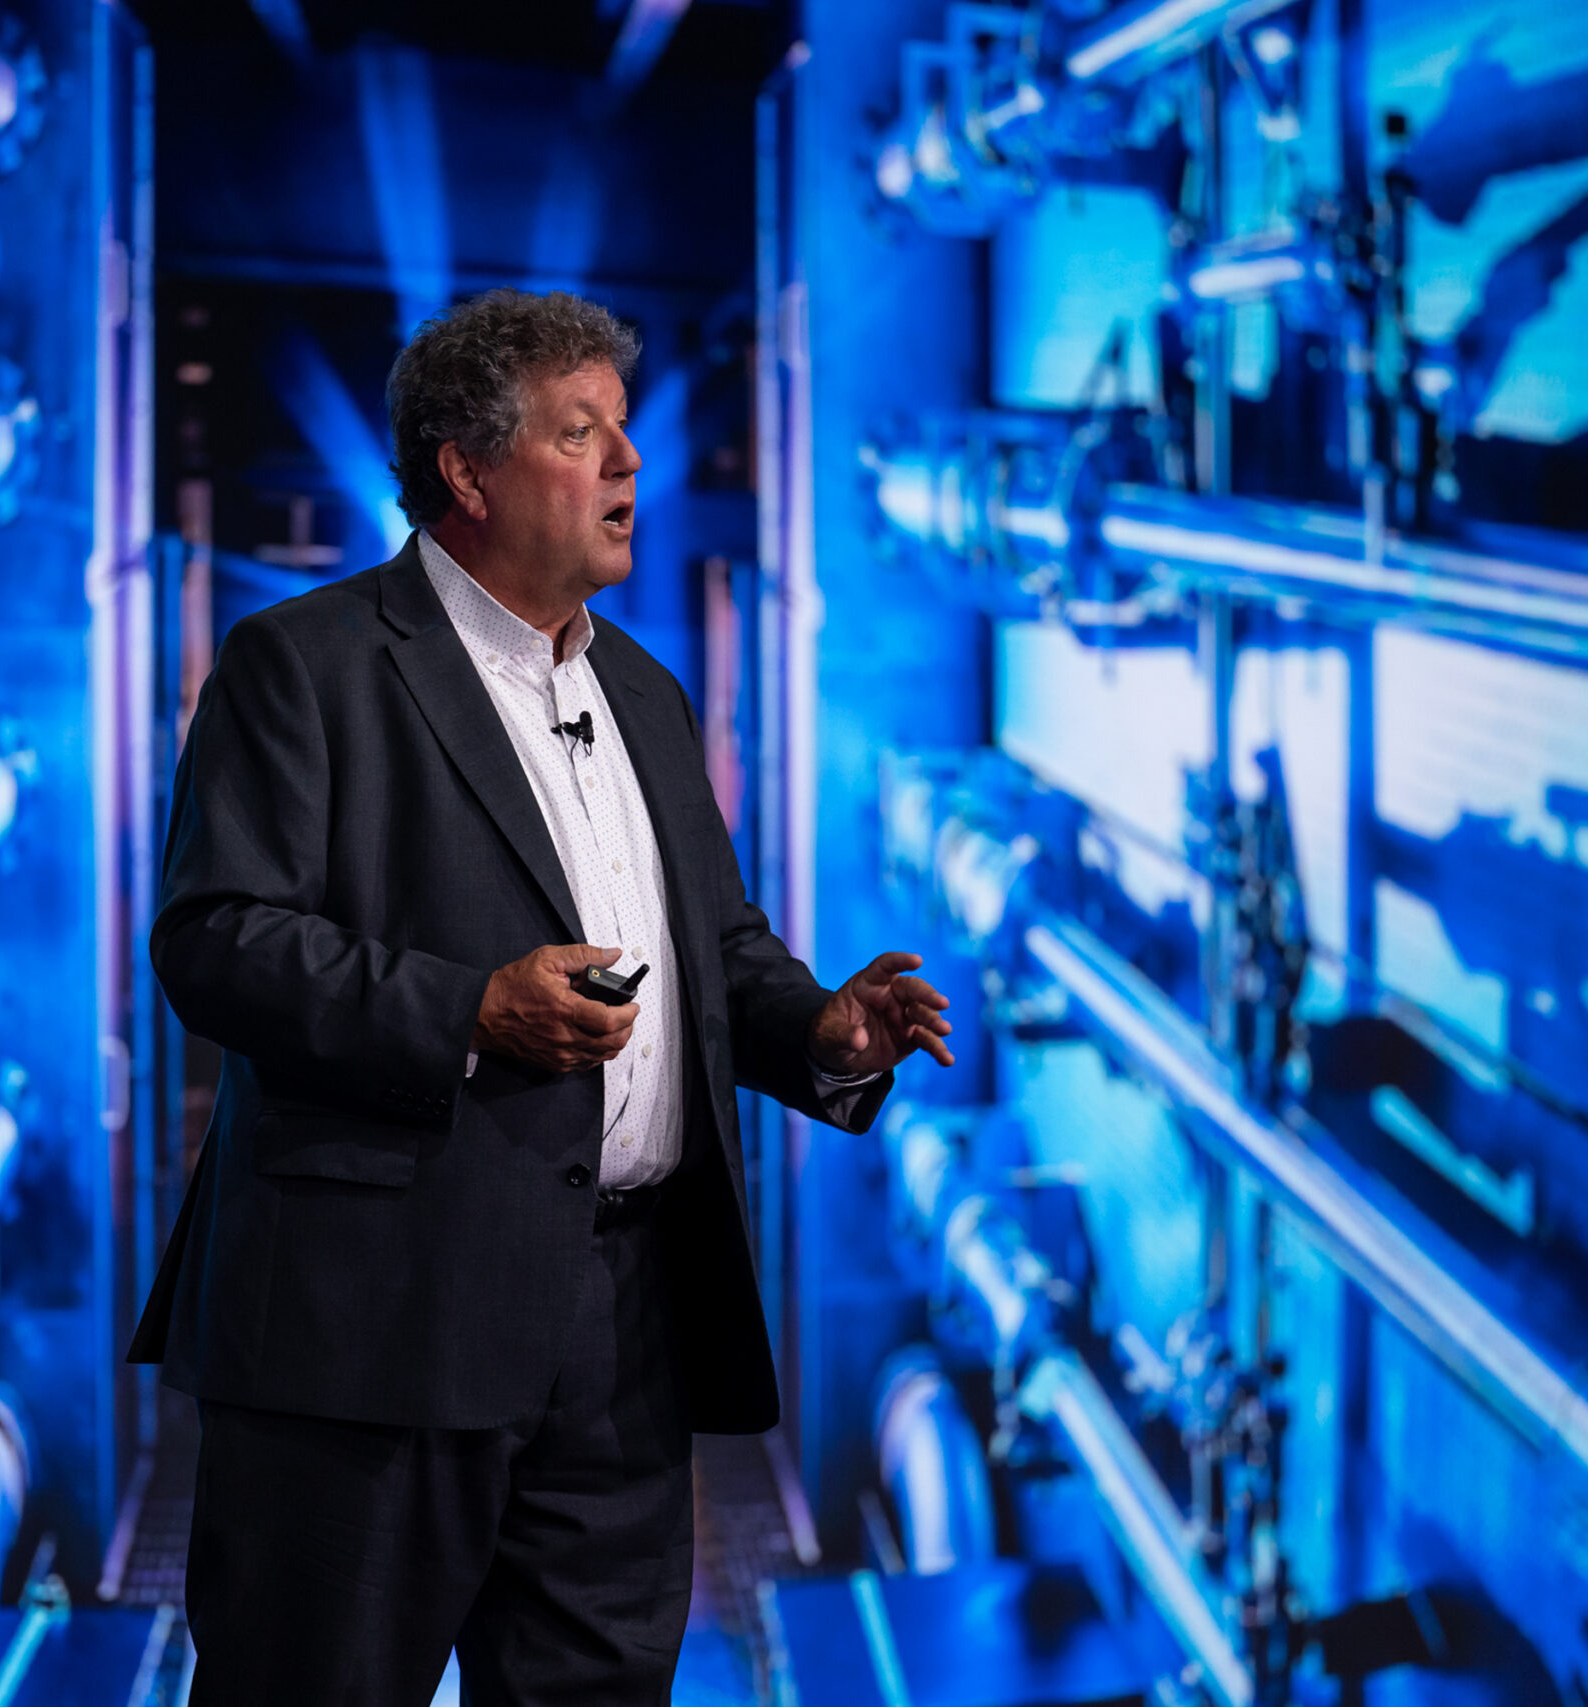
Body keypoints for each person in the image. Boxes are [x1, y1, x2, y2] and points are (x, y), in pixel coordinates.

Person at [128, 288, 955, 1705]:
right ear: (467, 467)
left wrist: (820, 1030)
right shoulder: (307, 666)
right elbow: (216, 945)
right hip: (373, 1335)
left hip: (623, 1334)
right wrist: (466, 1013)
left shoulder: (644, 692)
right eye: (585, 436)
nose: (631, 466)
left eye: (624, 434)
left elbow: (710, 943)